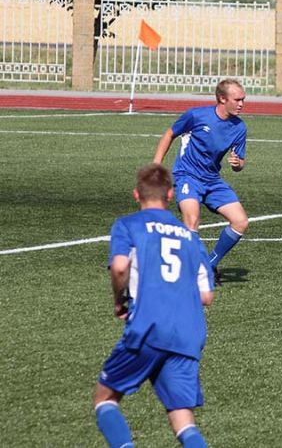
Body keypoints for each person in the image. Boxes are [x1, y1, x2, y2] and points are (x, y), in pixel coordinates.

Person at [93, 163, 214, 447]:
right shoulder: (190, 237)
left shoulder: (128, 225)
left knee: (105, 398)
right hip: (188, 333)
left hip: (149, 326)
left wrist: (118, 301)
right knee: (183, 419)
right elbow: (206, 295)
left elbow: (119, 267)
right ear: (170, 195)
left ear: (136, 194)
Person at [154, 79, 249, 284]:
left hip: (213, 180)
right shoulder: (196, 116)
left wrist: (238, 164)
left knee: (240, 221)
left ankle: (209, 264)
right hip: (187, 176)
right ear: (222, 99)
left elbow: (239, 163)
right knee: (192, 220)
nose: (242, 104)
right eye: (237, 100)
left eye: (243, 99)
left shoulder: (240, 127)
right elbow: (170, 134)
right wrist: (156, 165)